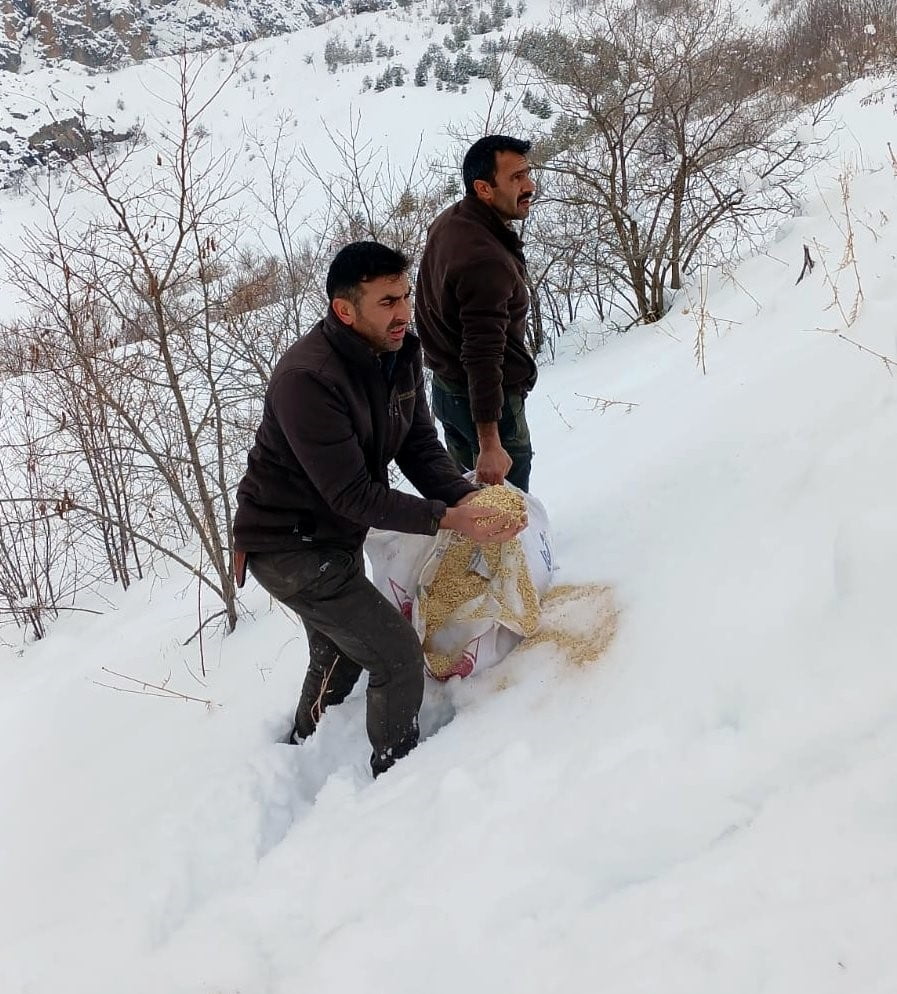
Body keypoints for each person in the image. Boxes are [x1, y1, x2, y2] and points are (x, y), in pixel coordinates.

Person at [233, 241, 525, 778]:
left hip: (333, 535)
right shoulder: (308, 380)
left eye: (406, 296)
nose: (404, 312)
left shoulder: (399, 353)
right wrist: (448, 518)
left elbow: (419, 446)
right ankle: (396, 775)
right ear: (345, 310)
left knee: (341, 651)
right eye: (388, 302)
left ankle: (301, 748)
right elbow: (351, 494)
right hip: (287, 546)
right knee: (395, 655)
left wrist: (467, 497)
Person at [415, 134, 538, 492]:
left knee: (470, 499)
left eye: (528, 173)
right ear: (484, 189)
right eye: (516, 178)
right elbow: (483, 354)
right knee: (505, 509)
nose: (529, 186)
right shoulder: (485, 259)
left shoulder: (451, 221)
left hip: (448, 391)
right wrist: (490, 443)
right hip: (485, 406)